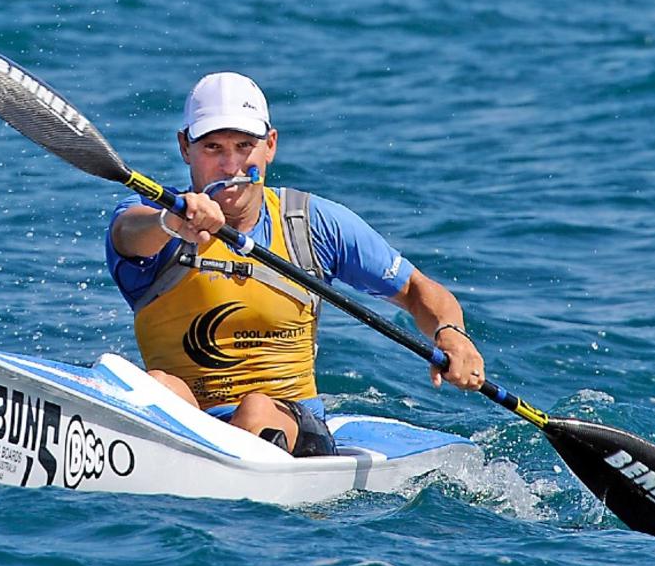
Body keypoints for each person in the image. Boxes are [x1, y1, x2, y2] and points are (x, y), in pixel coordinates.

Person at [105, 72, 485, 457]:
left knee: (256, 408)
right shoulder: (153, 218)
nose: (230, 164)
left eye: (244, 145)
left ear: (270, 146)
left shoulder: (311, 224)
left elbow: (417, 290)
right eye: (213, 148)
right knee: (156, 385)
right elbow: (126, 233)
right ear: (185, 148)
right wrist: (170, 223)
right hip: (188, 423)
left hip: (290, 425)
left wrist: (451, 333)